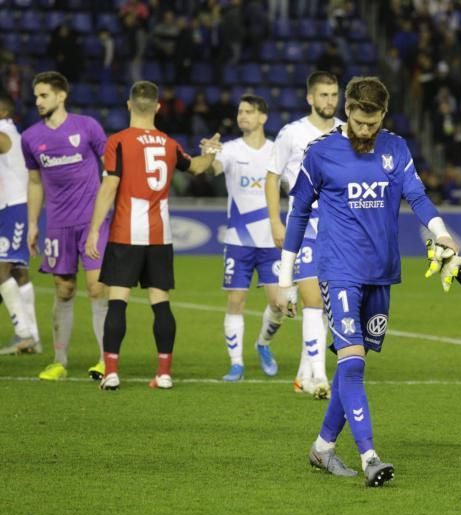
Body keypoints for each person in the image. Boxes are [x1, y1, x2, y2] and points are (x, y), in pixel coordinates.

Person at [275, 76, 461, 487]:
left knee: (352, 365)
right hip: (338, 269)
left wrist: (441, 233)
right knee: (353, 363)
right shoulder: (320, 153)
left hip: (381, 272)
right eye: (359, 122)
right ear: (347, 112)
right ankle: (369, 456)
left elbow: (418, 195)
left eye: (372, 123)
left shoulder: (395, 147)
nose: (365, 131)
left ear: (382, 117)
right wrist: (286, 277)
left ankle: (323, 448)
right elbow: (299, 214)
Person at [85, 81, 220, 391]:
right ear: (158, 107)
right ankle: (164, 373)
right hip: (161, 235)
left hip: (126, 232)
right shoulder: (168, 144)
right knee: (161, 303)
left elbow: (109, 187)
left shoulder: (117, 141)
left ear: (129, 105)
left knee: (118, 301)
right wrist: (210, 152)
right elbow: (197, 168)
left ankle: (112, 371)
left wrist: (94, 229)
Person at [21, 71, 109, 381]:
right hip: (58, 225)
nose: (38, 101)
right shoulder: (30, 138)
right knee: (65, 289)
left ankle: (104, 360)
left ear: (61, 96)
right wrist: (33, 224)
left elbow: (112, 170)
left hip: (92, 222)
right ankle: (59, 361)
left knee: (98, 288)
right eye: (36, 96)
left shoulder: (88, 127)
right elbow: (34, 182)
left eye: (43, 95)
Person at [265, 71, 343, 399]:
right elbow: (272, 178)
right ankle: (319, 378)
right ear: (310, 98)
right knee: (311, 298)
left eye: (334, 95)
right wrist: (275, 223)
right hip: (305, 226)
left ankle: (303, 374)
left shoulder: (345, 132)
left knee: (326, 306)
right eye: (323, 95)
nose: (329, 101)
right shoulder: (292, 134)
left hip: (339, 229)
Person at [210, 94, 284, 382]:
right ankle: (236, 363)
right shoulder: (229, 150)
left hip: (271, 240)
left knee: (279, 304)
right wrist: (208, 153)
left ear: (263, 117)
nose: (242, 116)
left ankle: (262, 344)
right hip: (239, 241)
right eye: (240, 112)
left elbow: (295, 184)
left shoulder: (278, 151)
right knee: (236, 301)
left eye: (249, 112)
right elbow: (213, 168)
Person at [0, 95, 40, 354]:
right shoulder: (14, 133)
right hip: (12, 208)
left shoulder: (6, 132)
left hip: (14, 208)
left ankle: (24, 333)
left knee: (1, 270)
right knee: (17, 272)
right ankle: (32, 339)